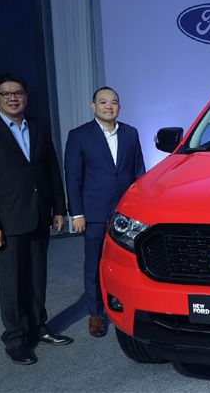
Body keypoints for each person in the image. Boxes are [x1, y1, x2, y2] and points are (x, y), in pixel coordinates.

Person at [0, 72, 73, 365]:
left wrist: (58, 209)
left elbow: (51, 170)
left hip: (40, 216)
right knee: (13, 282)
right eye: (7, 94)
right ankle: (15, 339)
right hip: (7, 220)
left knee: (37, 278)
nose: (13, 98)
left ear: (26, 97)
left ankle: (38, 328)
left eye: (18, 93)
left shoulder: (38, 126)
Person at [64, 87, 145, 337]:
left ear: (119, 107)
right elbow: (73, 177)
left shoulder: (131, 133)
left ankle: (131, 307)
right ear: (93, 106)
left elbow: (139, 174)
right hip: (95, 213)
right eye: (103, 102)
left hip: (126, 215)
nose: (109, 106)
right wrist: (76, 214)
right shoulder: (79, 135)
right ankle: (96, 314)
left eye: (114, 102)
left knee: (131, 263)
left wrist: (141, 210)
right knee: (95, 265)